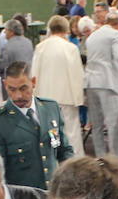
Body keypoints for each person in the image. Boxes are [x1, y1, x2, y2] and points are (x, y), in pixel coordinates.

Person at [0, 60, 74, 190]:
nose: (18, 96)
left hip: (54, 193)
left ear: (33, 82)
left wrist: (70, 179)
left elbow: (64, 151)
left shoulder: (51, 108)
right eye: (11, 89)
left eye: (23, 88)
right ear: (5, 84)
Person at [84, 10, 118, 157]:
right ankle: (115, 158)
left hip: (90, 82)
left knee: (96, 125)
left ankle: (101, 157)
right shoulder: (116, 34)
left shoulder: (92, 36)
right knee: (113, 123)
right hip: (108, 82)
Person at [33, 15, 87, 155]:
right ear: (67, 29)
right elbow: (77, 75)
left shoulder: (40, 47)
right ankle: (76, 163)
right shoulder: (71, 48)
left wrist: (34, 98)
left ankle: (52, 162)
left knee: (50, 133)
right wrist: (79, 99)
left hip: (45, 98)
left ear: (50, 29)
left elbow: (34, 75)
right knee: (72, 133)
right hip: (67, 97)